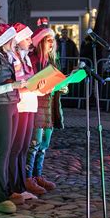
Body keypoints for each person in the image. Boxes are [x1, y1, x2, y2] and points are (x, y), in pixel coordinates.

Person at [0, 24, 27, 213]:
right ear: (4, 41)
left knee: (9, 150)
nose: (15, 42)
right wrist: (13, 85)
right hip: (1, 106)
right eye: (12, 39)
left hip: (11, 104)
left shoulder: (4, 58)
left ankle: (8, 190)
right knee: (3, 151)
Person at [25, 27, 65, 196]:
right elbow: (30, 81)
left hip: (49, 106)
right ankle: (27, 178)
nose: (52, 44)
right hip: (37, 105)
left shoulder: (51, 60)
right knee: (34, 144)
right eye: (48, 40)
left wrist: (62, 86)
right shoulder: (33, 59)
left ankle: (37, 174)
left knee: (44, 145)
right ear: (40, 42)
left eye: (53, 40)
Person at [9, 23, 45, 202]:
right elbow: (17, 84)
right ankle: (13, 186)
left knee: (24, 148)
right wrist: (31, 87)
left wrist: (42, 87)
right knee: (17, 148)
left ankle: (21, 185)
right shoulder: (14, 58)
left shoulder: (26, 58)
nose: (30, 41)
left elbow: (30, 80)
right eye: (27, 38)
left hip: (31, 105)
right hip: (20, 106)